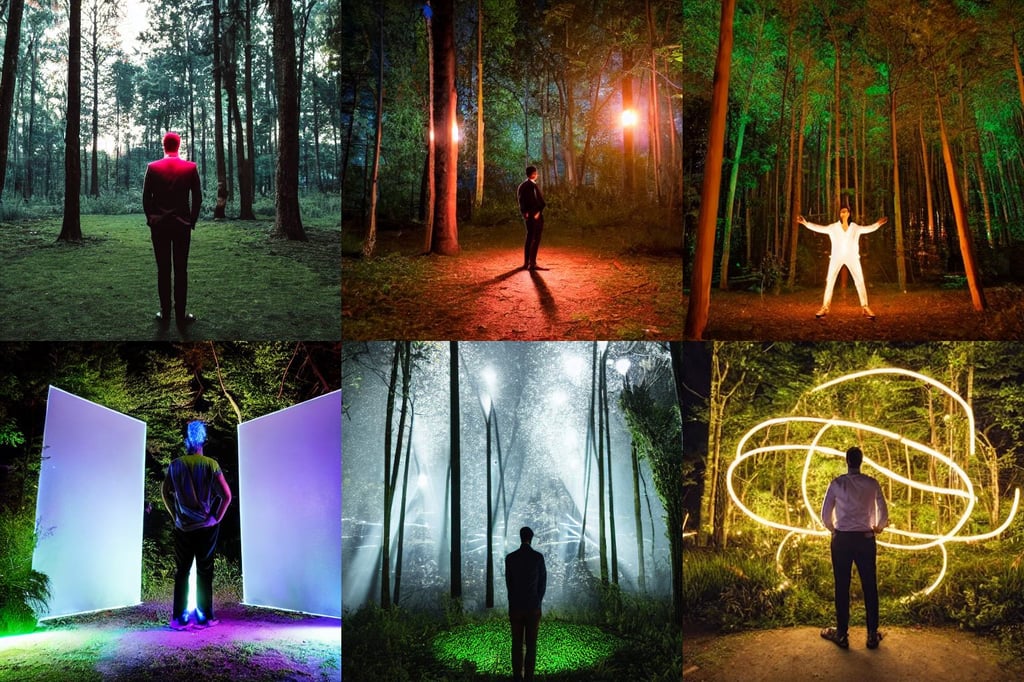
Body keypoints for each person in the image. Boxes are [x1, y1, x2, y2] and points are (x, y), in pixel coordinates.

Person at [161, 421, 232, 630]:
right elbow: (226, 496)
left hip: (183, 527)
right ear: (204, 441)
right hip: (206, 528)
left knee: (182, 571)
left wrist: (175, 514)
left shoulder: (176, 464)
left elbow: (165, 492)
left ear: (187, 441)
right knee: (204, 570)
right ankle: (204, 617)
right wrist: (215, 518)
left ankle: (179, 618)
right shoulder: (211, 464)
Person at [820, 446, 889, 650]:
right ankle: (871, 635)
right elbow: (882, 510)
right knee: (870, 586)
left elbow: (825, 515)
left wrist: (834, 529)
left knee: (842, 585)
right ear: (861, 460)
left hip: (842, 540)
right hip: (865, 539)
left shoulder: (837, 483)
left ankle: (842, 634)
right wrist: (879, 526)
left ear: (846, 460)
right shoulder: (871, 483)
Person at [143, 131, 202, 329]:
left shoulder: (152, 168)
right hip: (182, 226)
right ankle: (181, 315)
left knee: (163, 270)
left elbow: (146, 198)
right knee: (181, 270)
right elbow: (198, 198)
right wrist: (191, 221)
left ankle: (165, 312)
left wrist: (151, 218)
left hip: (159, 226)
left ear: (163, 145)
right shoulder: (190, 167)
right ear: (179, 145)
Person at [797, 208, 887, 319]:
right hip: (836, 256)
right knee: (830, 280)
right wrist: (806, 223)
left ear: (849, 214)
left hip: (852, 257)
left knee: (860, 280)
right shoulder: (834, 227)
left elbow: (867, 229)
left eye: (845, 211)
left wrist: (878, 224)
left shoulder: (854, 227)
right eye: (841, 212)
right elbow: (820, 228)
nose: (842, 213)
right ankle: (825, 307)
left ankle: (865, 307)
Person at [505, 526, 546, 682]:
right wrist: (537, 601)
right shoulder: (538, 558)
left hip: (516, 607)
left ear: (520, 537)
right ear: (531, 538)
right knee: (531, 645)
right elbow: (542, 583)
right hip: (532, 608)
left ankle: (517, 677)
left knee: (516, 644)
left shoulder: (510, 558)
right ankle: (529, 678)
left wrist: (513, 602)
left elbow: (509, 584)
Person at [516, 166, 547, 271]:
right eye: (535, 173)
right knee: (534, 238)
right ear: (533, 174)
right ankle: (531, 263)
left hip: (530, 216)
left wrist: (525, 212)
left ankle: (528, 262)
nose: (536, 175)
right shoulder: (531, 186)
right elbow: (539, 201)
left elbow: (520, 201)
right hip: (535, 216)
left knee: (530, 237)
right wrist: (536, 212)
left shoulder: (523, 186)